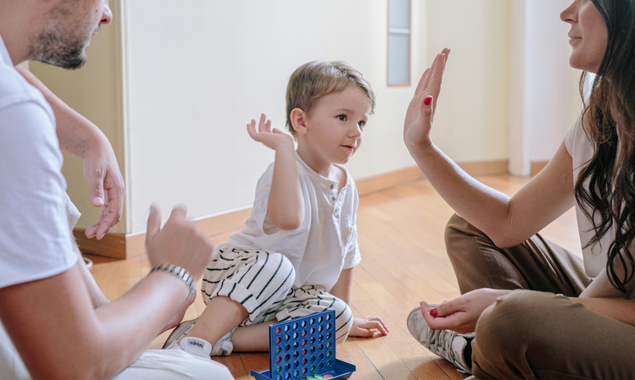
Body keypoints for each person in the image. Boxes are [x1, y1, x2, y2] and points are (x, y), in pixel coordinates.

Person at [0, 0, 233, 378]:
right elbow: (74, 366)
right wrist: (174, 276)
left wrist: (88, 137)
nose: (107, 14)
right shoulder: (11, 112)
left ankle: (103, 316)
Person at [404, 0, 635, 378]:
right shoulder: (603, 111)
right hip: (609, 295)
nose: (567, 13)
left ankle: (483, 350)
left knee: (509, 318)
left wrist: (507, 301)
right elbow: (509, 222)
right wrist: (421, 147)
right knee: (470, 229)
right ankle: (493, 350)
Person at [162, 61, 389, 357]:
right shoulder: (282, 171)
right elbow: (289, 219)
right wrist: (283, 149)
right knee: (279, 267)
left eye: (361, 122)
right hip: (242, 279)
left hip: (290, 298)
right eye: (343, 117)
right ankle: (201, 335)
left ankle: (224, 339)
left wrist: (344, 314)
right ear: (301, 121)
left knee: (338, 322)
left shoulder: (347, 186)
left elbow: (347, 253)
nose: (356, 132)